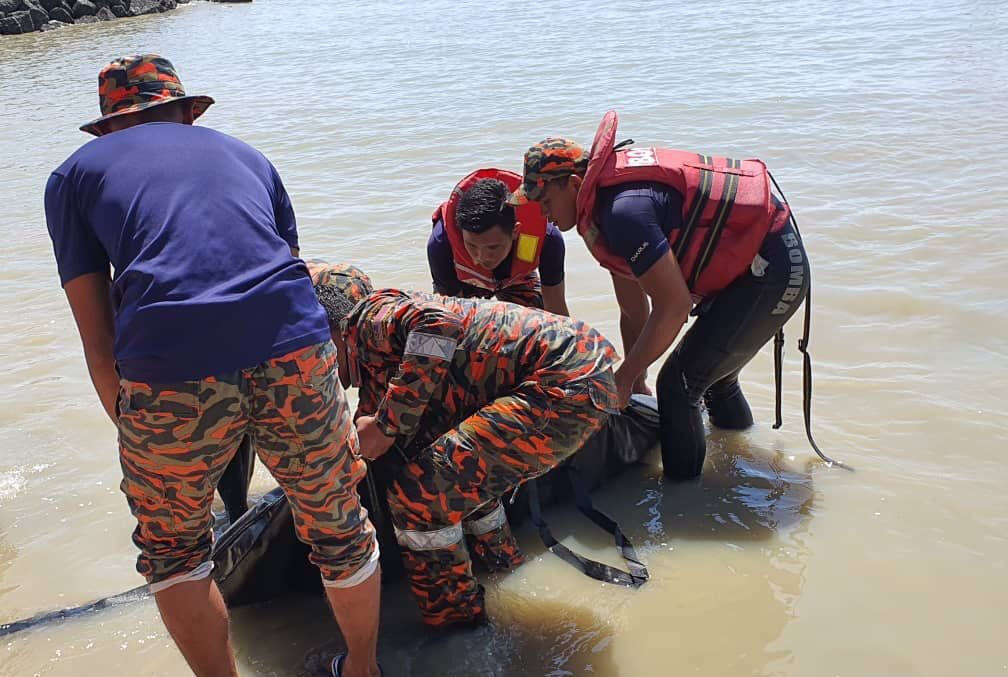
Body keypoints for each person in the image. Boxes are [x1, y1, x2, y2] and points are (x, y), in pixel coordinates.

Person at [44, 55, 381, 677]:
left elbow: (96, 332)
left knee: (174, 552)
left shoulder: (72, 176)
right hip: (295, 349)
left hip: (168, 363)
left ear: (110, 125)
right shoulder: (249, 156)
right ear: (185, 112)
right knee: (337, 524)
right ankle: (363, 668)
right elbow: (287, 277)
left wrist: (134, 428)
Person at [310, 262, 619, 628]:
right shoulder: (380, 356)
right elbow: (372, 432)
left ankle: (457, 625)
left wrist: (387, 424)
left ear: (331, 329)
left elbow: (437, 323)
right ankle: (502, 568)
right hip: (580, 373)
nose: (314, 368)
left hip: (563, 380)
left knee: (420, 496)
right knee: (456, 472)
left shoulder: (371, 320)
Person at [510, 111, 811, 481]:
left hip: (772, 270)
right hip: (759, 263)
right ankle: (741, 454)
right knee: (711, 378)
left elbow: (673, 307)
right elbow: (633, 308)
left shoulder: (623, 214)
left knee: (678, 384)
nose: (544, 215)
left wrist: (622, 379)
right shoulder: (603, 210)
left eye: (545, 202)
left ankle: (681, 508)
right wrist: (636, 380)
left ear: (573, 184)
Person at [427, 169, 570, 314]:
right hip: (464, 282)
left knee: (541, 322)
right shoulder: (440, 244)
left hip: (517, 278)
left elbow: (556, 308)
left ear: (515, 231)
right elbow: (451, 317)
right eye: (472, 245)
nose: (481, 256)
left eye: (493, 247)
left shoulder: (548, 240)